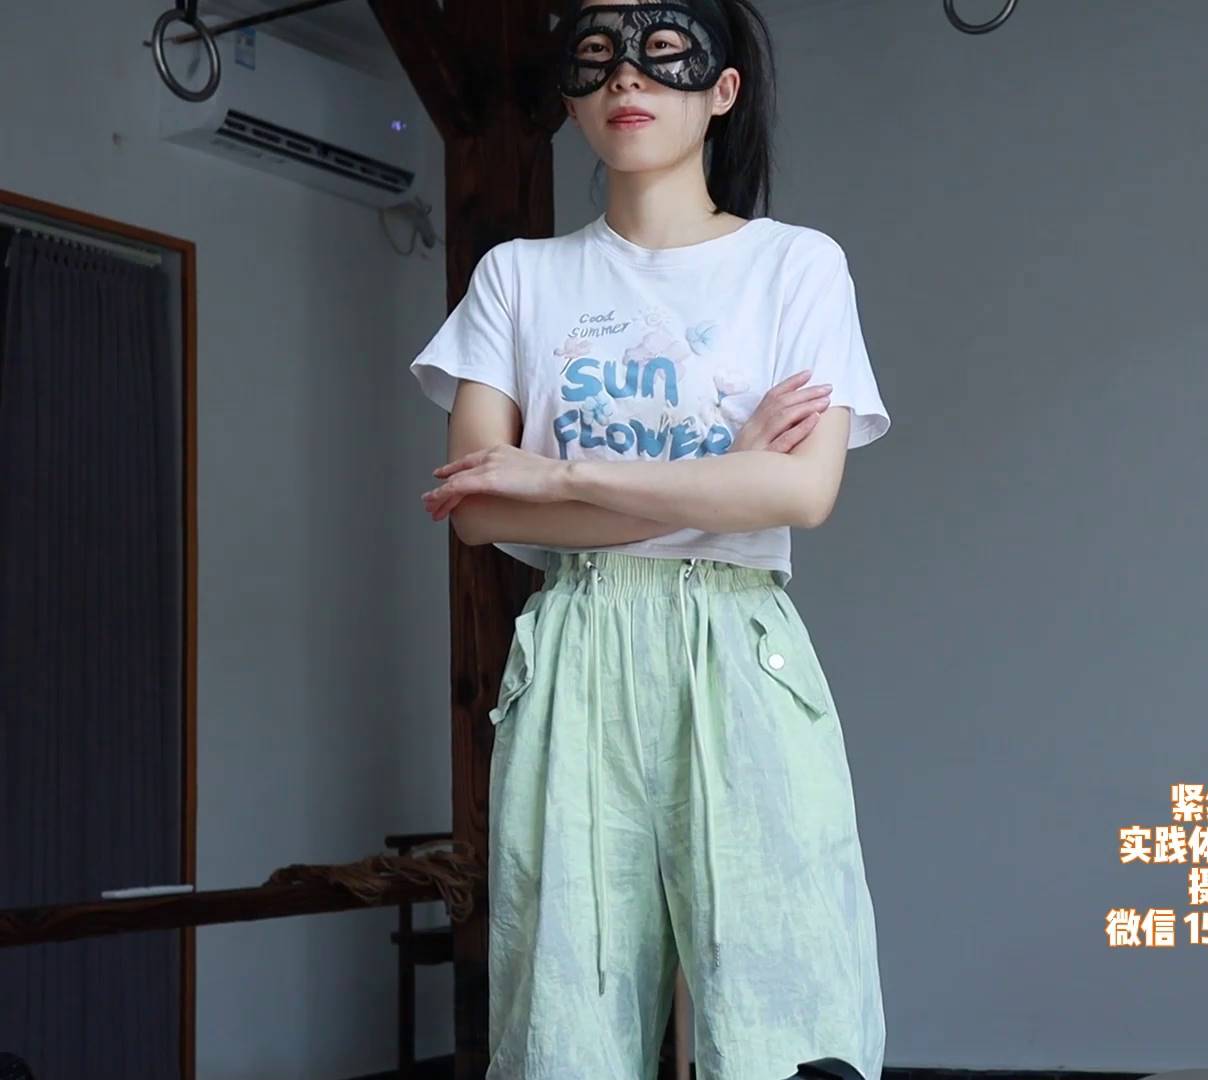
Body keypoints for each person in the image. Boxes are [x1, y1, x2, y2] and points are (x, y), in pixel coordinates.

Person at [406, 2, 889, 1077]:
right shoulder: (519, 278)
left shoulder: (795, 266)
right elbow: (480, 507)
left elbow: (800, 493)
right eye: (596, 57)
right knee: (564, 1018)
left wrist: (560, 473)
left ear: (722, 90)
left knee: (783, 1007)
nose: (627, 76)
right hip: (576, 645)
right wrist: (724, 476)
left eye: (664, 54)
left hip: (739, 644)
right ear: (572, 99)